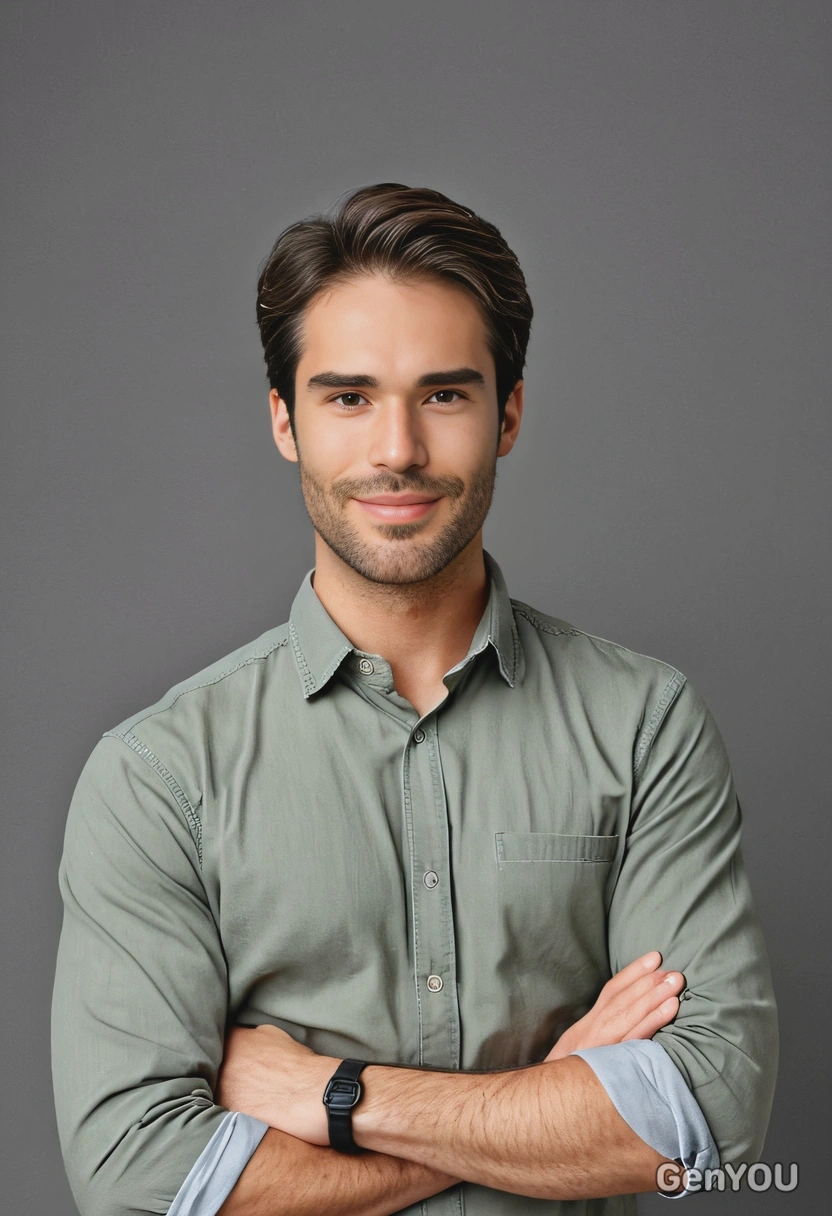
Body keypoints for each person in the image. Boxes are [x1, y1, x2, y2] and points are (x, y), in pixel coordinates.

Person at [51, 184, 778, 1216]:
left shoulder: (642, 723)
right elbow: (139, 1175)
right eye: (348, 397)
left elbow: (705, 1110)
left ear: (508, 413)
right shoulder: (157, 776)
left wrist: (328, 1095)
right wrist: (537, 1101)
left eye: (443, 394)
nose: (396, 448)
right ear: (284, 423)